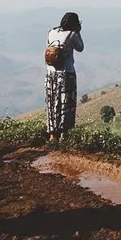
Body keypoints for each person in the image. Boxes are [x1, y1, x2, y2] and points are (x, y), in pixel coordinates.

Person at [45, 12, 84, 142]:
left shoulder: (51, 32)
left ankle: (52, 135)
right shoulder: (72, 35)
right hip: (66, 74)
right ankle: (64, 134)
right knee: (66, 103)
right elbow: (80, 48)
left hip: (51, 74)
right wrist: (78, 32)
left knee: (52, 103)